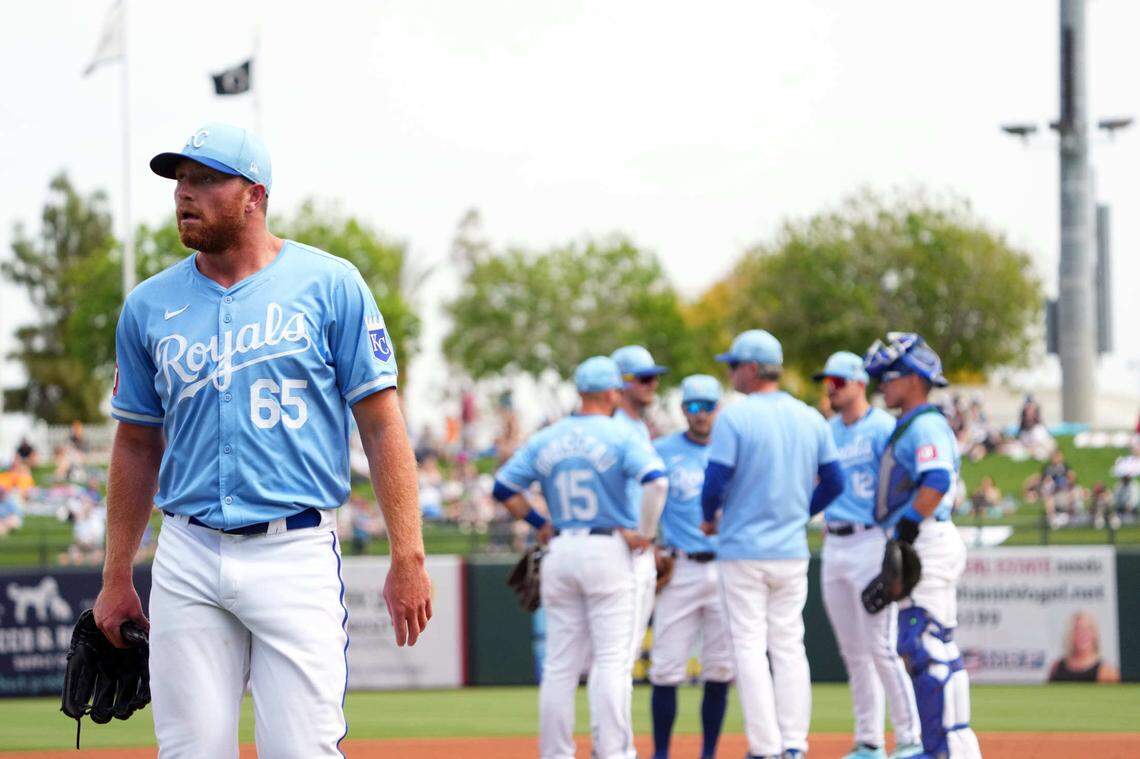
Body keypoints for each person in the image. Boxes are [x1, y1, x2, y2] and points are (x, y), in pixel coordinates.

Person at [95, 122, 432, 758]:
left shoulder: (330, 285)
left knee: (303, 751)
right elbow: (136, 443)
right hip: (188, 552)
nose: (184, 194)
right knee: (189, 751)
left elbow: (383, 424)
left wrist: (407, 553)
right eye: (180, 180)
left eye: (205, 179)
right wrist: (117, 575)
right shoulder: (147, 305)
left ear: (255, 194)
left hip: (295, 550)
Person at [491, 356, 668, 759]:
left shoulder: (548, 436)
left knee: (559, 666)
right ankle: (614, 752)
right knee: (610, 661)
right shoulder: (621, 434)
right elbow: (657, 482)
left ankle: (556, 753)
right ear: (612, 392)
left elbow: (502, 487)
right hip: (608, 548)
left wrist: (539, 521)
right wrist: (646, 533)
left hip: (562, 547)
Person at [700, 330, 844, 759]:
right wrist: (802, 511)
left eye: (733, 366)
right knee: (788, 646)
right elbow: (835, 481)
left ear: (750, 368)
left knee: (748, 647)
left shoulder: (735, 417)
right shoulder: (810, 417)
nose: (730, 374)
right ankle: (795, 743)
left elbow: (714, 482)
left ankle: (765, 746)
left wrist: (709, 518)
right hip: (790, 549)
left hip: (743, 548)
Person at [863, 332, 982, 759]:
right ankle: (954, 744)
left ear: (913, 379)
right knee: (931, 644)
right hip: (927, 536)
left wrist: (908, 531)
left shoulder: (925, 424)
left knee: (924, 644)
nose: (882, 387)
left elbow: (936, 480)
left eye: (888, 377)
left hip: (928, 537)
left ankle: (944, 747)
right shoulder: (916, 423)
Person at [813, 352, 922, 759]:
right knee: (853, 652)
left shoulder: (883, 428)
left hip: (871, 540)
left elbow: (905, 483)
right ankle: (869, 741)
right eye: (828, 381)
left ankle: (911, 737)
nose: (831, 388)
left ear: (860, 383)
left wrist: (896, 541)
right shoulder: (826, 430)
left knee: (881, 647)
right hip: (835, 541)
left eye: (838, 381)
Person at [648, 375, 734, 759]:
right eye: (694, 406)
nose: (701, 414)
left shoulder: (734, 449)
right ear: (684, 409)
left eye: (708, 406)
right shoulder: (663, 449)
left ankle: (709, 753)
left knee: (719, 669)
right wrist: (651, 542)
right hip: (680, 566)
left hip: (727, 567)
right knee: (665, 668)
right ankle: (662, 753)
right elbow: (643, 498)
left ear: (719, 408)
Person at [611, 344, 669, 667]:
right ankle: (609, 721)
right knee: (618, 654)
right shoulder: (617, 425)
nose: (651, 384)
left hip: (635, 544)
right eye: (642, 378)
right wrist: (644, 535)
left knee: (621, 654)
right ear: (619, 383)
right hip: (623, 544)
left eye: (653, 378)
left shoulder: (637, 427)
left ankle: (611, 720)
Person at [1048, 611, 1120, 683]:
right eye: (1077, 629)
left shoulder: (1107, 671)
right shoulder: (1056, 667)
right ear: (1070, 634)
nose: (1083, 634)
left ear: (1094, 634)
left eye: (1088, 629)